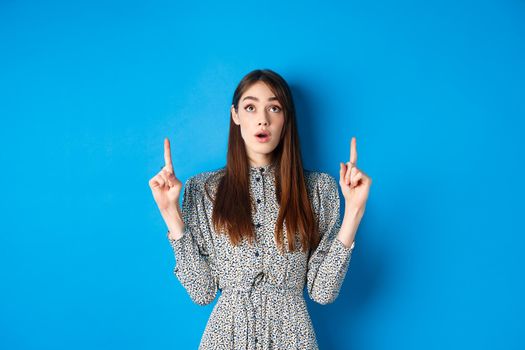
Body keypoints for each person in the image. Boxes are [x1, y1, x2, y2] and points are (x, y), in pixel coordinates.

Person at [148, 69, 372, 349]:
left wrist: (354, 211)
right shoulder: (204, 190)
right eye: (251, 107)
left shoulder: (318, 189)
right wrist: (170, 213)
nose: (262, 119)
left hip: (293, 338)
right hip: (226, 338)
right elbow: (202, 292)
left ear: (286, 118)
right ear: (236, 116)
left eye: (274, 108)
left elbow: (323, 292)